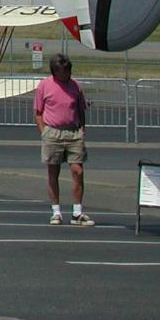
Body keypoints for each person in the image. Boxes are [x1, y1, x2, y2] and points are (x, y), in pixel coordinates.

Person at [35, 54, 94, 226]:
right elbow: (38, 112)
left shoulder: (76, 86)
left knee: (78, 171)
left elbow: (81, 110)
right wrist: (44, 132)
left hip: (73, 133)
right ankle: (56, 211)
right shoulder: (44, 86)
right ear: (55, 72)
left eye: (68, 70)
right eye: (63, 71)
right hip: (52, 133)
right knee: (53, 173)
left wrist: (82, 130)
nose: (67, 74)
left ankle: (77, 213)